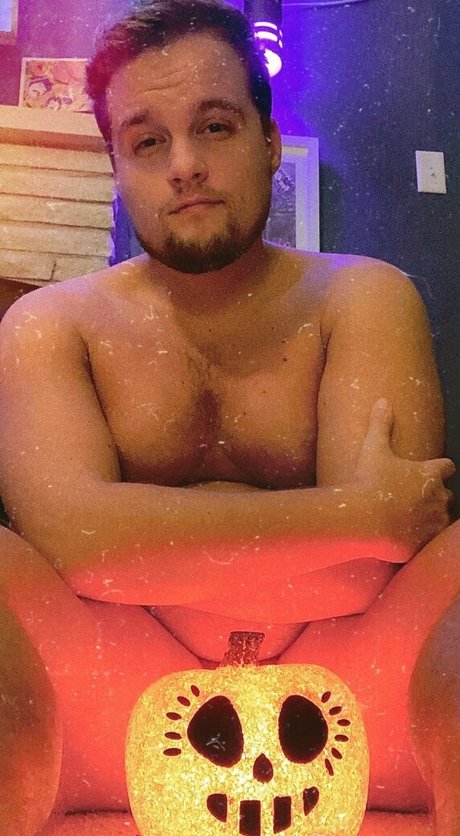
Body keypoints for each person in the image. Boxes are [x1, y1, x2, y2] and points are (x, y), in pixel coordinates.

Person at [0, 0, 458, 832]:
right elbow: (72, 542)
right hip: (111, 688)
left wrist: (133, 544)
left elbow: (370, 573)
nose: (185, 165)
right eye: (148, 142)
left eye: (214, 127)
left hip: (353, 678)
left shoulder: (363, 296)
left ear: (269, 141)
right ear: (117, 166)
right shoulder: (50, 325)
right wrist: (356, 514)